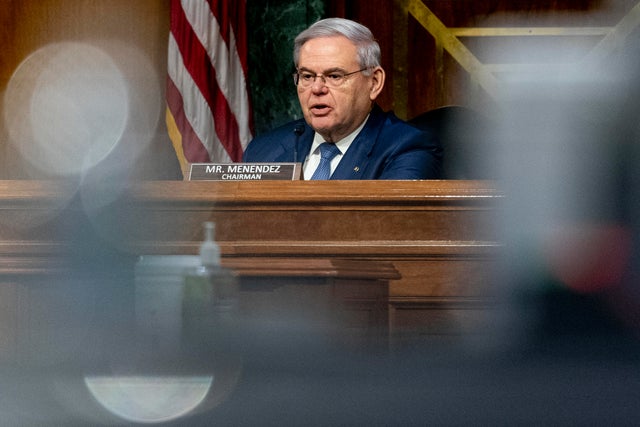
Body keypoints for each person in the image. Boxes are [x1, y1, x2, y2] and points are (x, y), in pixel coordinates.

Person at [242, 17, 442, 180]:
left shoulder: (408, 149)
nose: (317, 88)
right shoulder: (263, 151)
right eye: (307, 76)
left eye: (334, 76)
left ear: (374, 82)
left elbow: (382, 226)